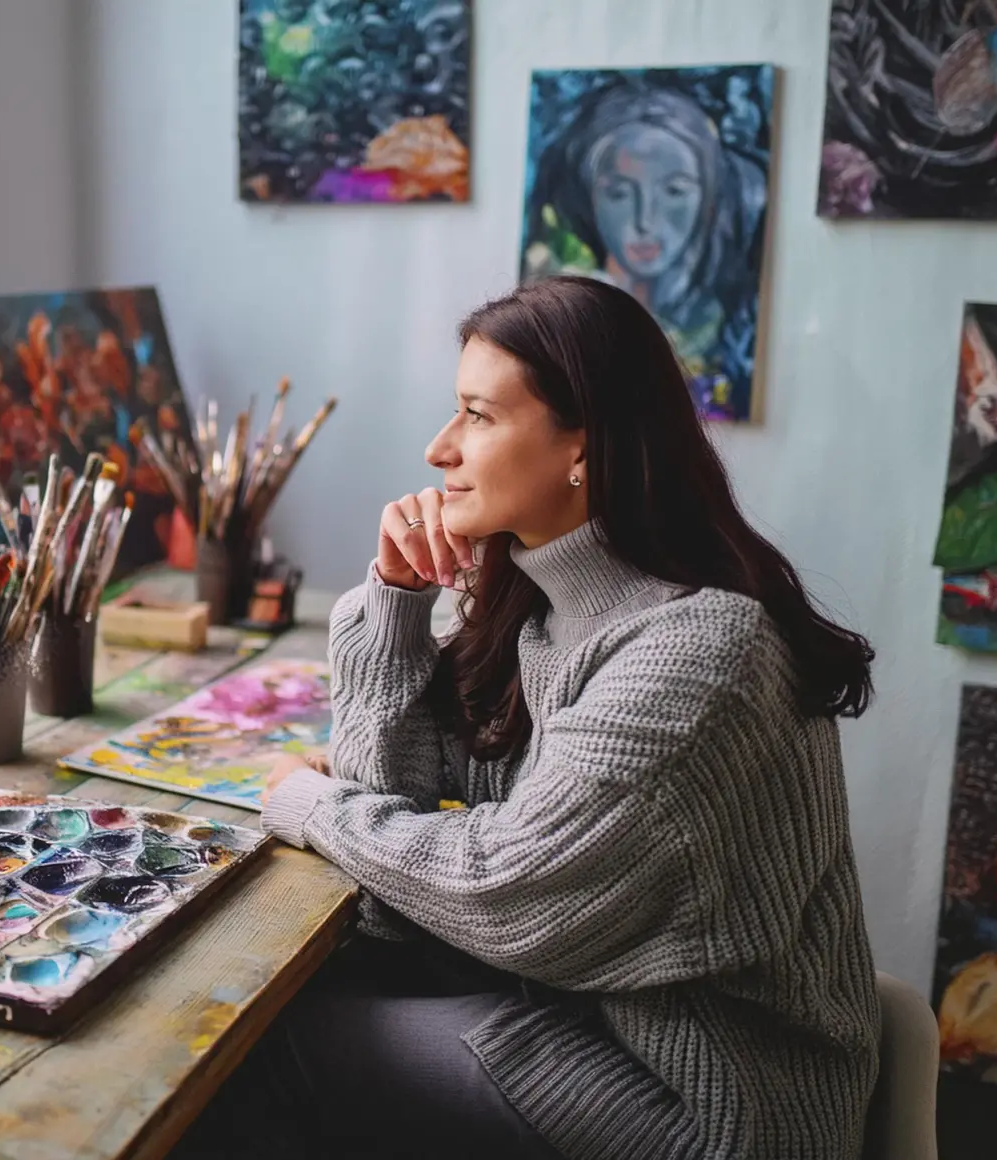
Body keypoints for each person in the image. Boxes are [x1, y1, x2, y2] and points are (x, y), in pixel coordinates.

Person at [176, 276, 880, 1160]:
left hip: (713, 1109)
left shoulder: (705, 653)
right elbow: (397, 887)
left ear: (583, 445)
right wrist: (393, 599)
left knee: (242, 1043)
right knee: (299, 990)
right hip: (578, 1015)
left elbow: (501, 890)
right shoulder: (537, 617)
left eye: (478, 415)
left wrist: (308, 806)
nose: (439, 449)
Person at [522, 83, 768, 419]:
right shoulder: (563, 321)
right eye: (620, 193)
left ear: (708, 201)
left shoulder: (729, 330)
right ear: (589, 201)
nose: (645, 220)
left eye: (674, 191)